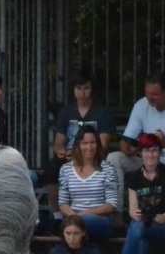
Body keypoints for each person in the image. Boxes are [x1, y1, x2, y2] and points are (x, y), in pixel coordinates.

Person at [47, 72, 117, 226]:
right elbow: (58, 142)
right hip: (70, 156)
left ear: (92, 89)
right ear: (73, 90)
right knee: (52, 168)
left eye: (86, 88)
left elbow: (104, 144)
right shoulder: (66, 112)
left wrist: (82, 154)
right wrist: (61, 151)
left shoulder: (102, 112)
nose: (82, 92)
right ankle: (58, 216)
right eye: (78, 88)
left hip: (94, 156)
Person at [108, 74, 165, 192]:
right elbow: (126, 140)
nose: (150, 98)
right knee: (114, 158)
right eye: (147, 93)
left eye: (155, 95)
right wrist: (130, 149)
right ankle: (115, 209)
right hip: (148, 157)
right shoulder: (141, 105)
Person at [122, 134, 165, 254]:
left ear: (160, 152)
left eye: (154, 151)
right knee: (141, 236)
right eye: (147, 151)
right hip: (143, 223)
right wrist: (135, 214)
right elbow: (132, 210)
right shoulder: (133, 177)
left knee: (137, 229)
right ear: (140, 153)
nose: (151, 155)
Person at [57, 125, 120, 243]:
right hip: (72, 219)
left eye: (93, 143)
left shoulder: (108, 169)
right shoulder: (65, 169)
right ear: (78, 145)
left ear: (98, 145)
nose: (89, 147)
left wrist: (84, 215)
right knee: (71, 227)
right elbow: (63, 203)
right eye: (84, 143)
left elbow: (111, 205)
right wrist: (74, 217)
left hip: (100, 220)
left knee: (87, 222)